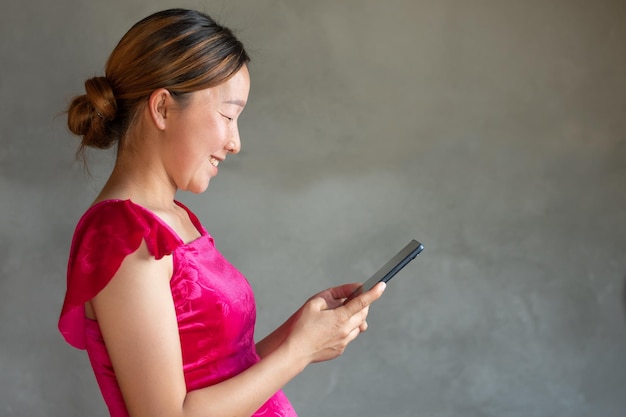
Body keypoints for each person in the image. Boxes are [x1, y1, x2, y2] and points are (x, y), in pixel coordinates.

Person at [58, 8, 385, 417]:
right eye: (228, 116)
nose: (235, 142)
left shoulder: (177, 219)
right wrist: (300, 352)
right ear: (162, 108)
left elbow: (222, 371)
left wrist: (299, 333)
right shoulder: (122, 234)